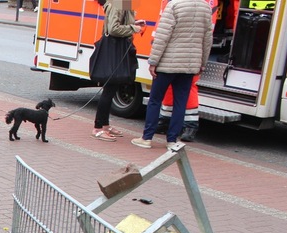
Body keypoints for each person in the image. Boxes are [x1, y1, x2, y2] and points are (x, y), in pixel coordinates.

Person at [131, 0, 212, 150]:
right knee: (180, 103)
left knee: (155, 100)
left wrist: (153, 61)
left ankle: (147, 138)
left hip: (167, 64)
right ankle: (172, 140)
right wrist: (202, 63)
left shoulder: (174, 5)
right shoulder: (205, 7)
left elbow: (162, 37)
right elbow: (207, 39)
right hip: (189, 65)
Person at [154, 0, 218, 142]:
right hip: (181, 51)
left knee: (188, 88)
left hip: (182, 51)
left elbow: (205, 33)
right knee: (173, 88)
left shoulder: (200, 4)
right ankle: (166, 120)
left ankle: (189, 124)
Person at [91, 0, 145, 142]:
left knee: (111, 89)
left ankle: (105, 125)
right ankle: (98, 128)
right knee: (109, 90)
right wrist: (134, 28)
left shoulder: (123, 2)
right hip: (115, 50)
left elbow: (119, 22)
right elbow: (113, 29)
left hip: (117, 49)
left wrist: (134, 24)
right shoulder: (118, 3)